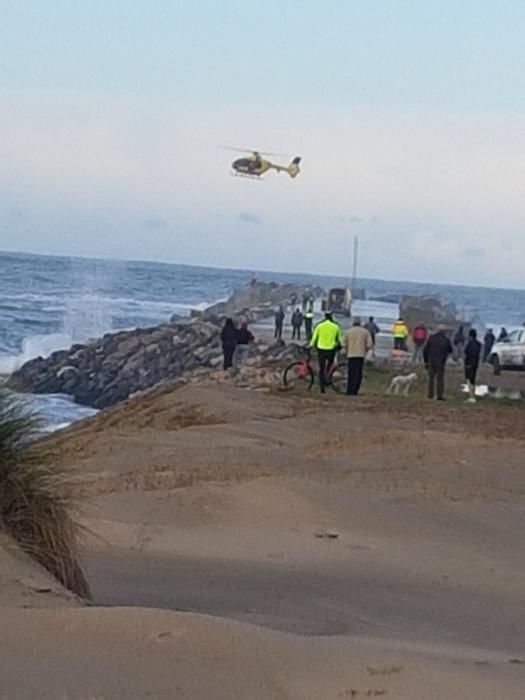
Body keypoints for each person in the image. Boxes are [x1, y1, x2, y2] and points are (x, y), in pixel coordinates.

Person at [309, 312, 342, 393]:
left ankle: (322, 387)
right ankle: (328, 376)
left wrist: (310, 345)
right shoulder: (336, 326)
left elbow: (314, 338)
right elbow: (340, 339)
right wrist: (340, 346)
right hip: (331, 349)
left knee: (321, 367)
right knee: (329, 365)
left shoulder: (319, 326)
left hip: (321, 349)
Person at [342, 317, 373, 395]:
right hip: (360, 355)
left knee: (351, 373)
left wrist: (347, 350)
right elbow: (370, 344)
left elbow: (343, 343)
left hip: (351, 354)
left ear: (353, 323)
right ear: (360, 323)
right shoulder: (365, 332)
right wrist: (365, 350)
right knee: (358, 373)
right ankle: (355, 390)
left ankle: (349, 390)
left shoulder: (347, 332)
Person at [423, 325, 453, 400]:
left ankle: (430, 395)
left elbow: (425, 350)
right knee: (440, 379)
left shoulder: (431, 338)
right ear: (444, 331)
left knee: (431, 379)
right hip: (441, 362)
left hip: (431, 360)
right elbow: (450, 350)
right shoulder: (446, 340)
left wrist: (426, 361)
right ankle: (439, 395)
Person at [464, 328, 482, 403]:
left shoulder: (469, 343)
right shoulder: (479, 344)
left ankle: (471, 396)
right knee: (473, 379)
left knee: (469, 379)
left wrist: (467, 363)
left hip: (469, 363)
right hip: (476, 363)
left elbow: (466, 352)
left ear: (470, 335)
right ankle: (473, 395)